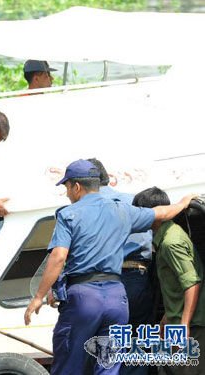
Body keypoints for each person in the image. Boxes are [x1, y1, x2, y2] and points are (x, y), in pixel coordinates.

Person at [24, 159, 196, 375]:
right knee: (112, 364)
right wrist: (182, 203)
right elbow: (160, 213)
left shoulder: (70, 214)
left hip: (84, 296)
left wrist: (39, 295)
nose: (67, 194)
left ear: (76, 187)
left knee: (71, 361)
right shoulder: (123, 209)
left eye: (67, 188)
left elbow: (59, 257)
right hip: (118, 297)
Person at [88, 158, 154, 375]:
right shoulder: (134, 201)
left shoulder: (89, 206)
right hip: (139, 278)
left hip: (107, 283)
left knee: (107, 346)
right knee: (136, 343)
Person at [133, 187, 205, 375]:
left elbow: (192, 282)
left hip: (193, 324)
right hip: (179, 319)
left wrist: (184, 324)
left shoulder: (171, 242)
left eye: (142, 214)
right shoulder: (165, 237)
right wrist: (166, 319)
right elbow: (174, 286)